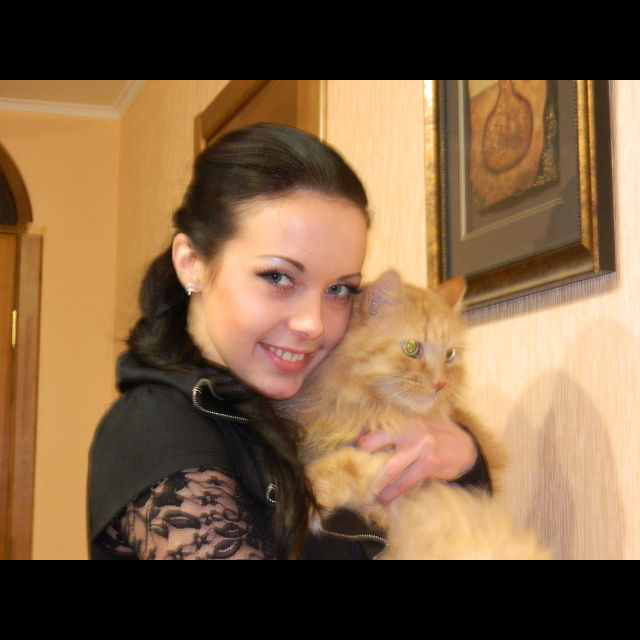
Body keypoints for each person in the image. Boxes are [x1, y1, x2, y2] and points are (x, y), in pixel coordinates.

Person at [87, 123, 490, 560]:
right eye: (278, 277)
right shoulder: (159, 430)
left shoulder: (287, 398)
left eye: (339, 289)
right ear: (192, 264)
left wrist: (466, 457)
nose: (312, 323)